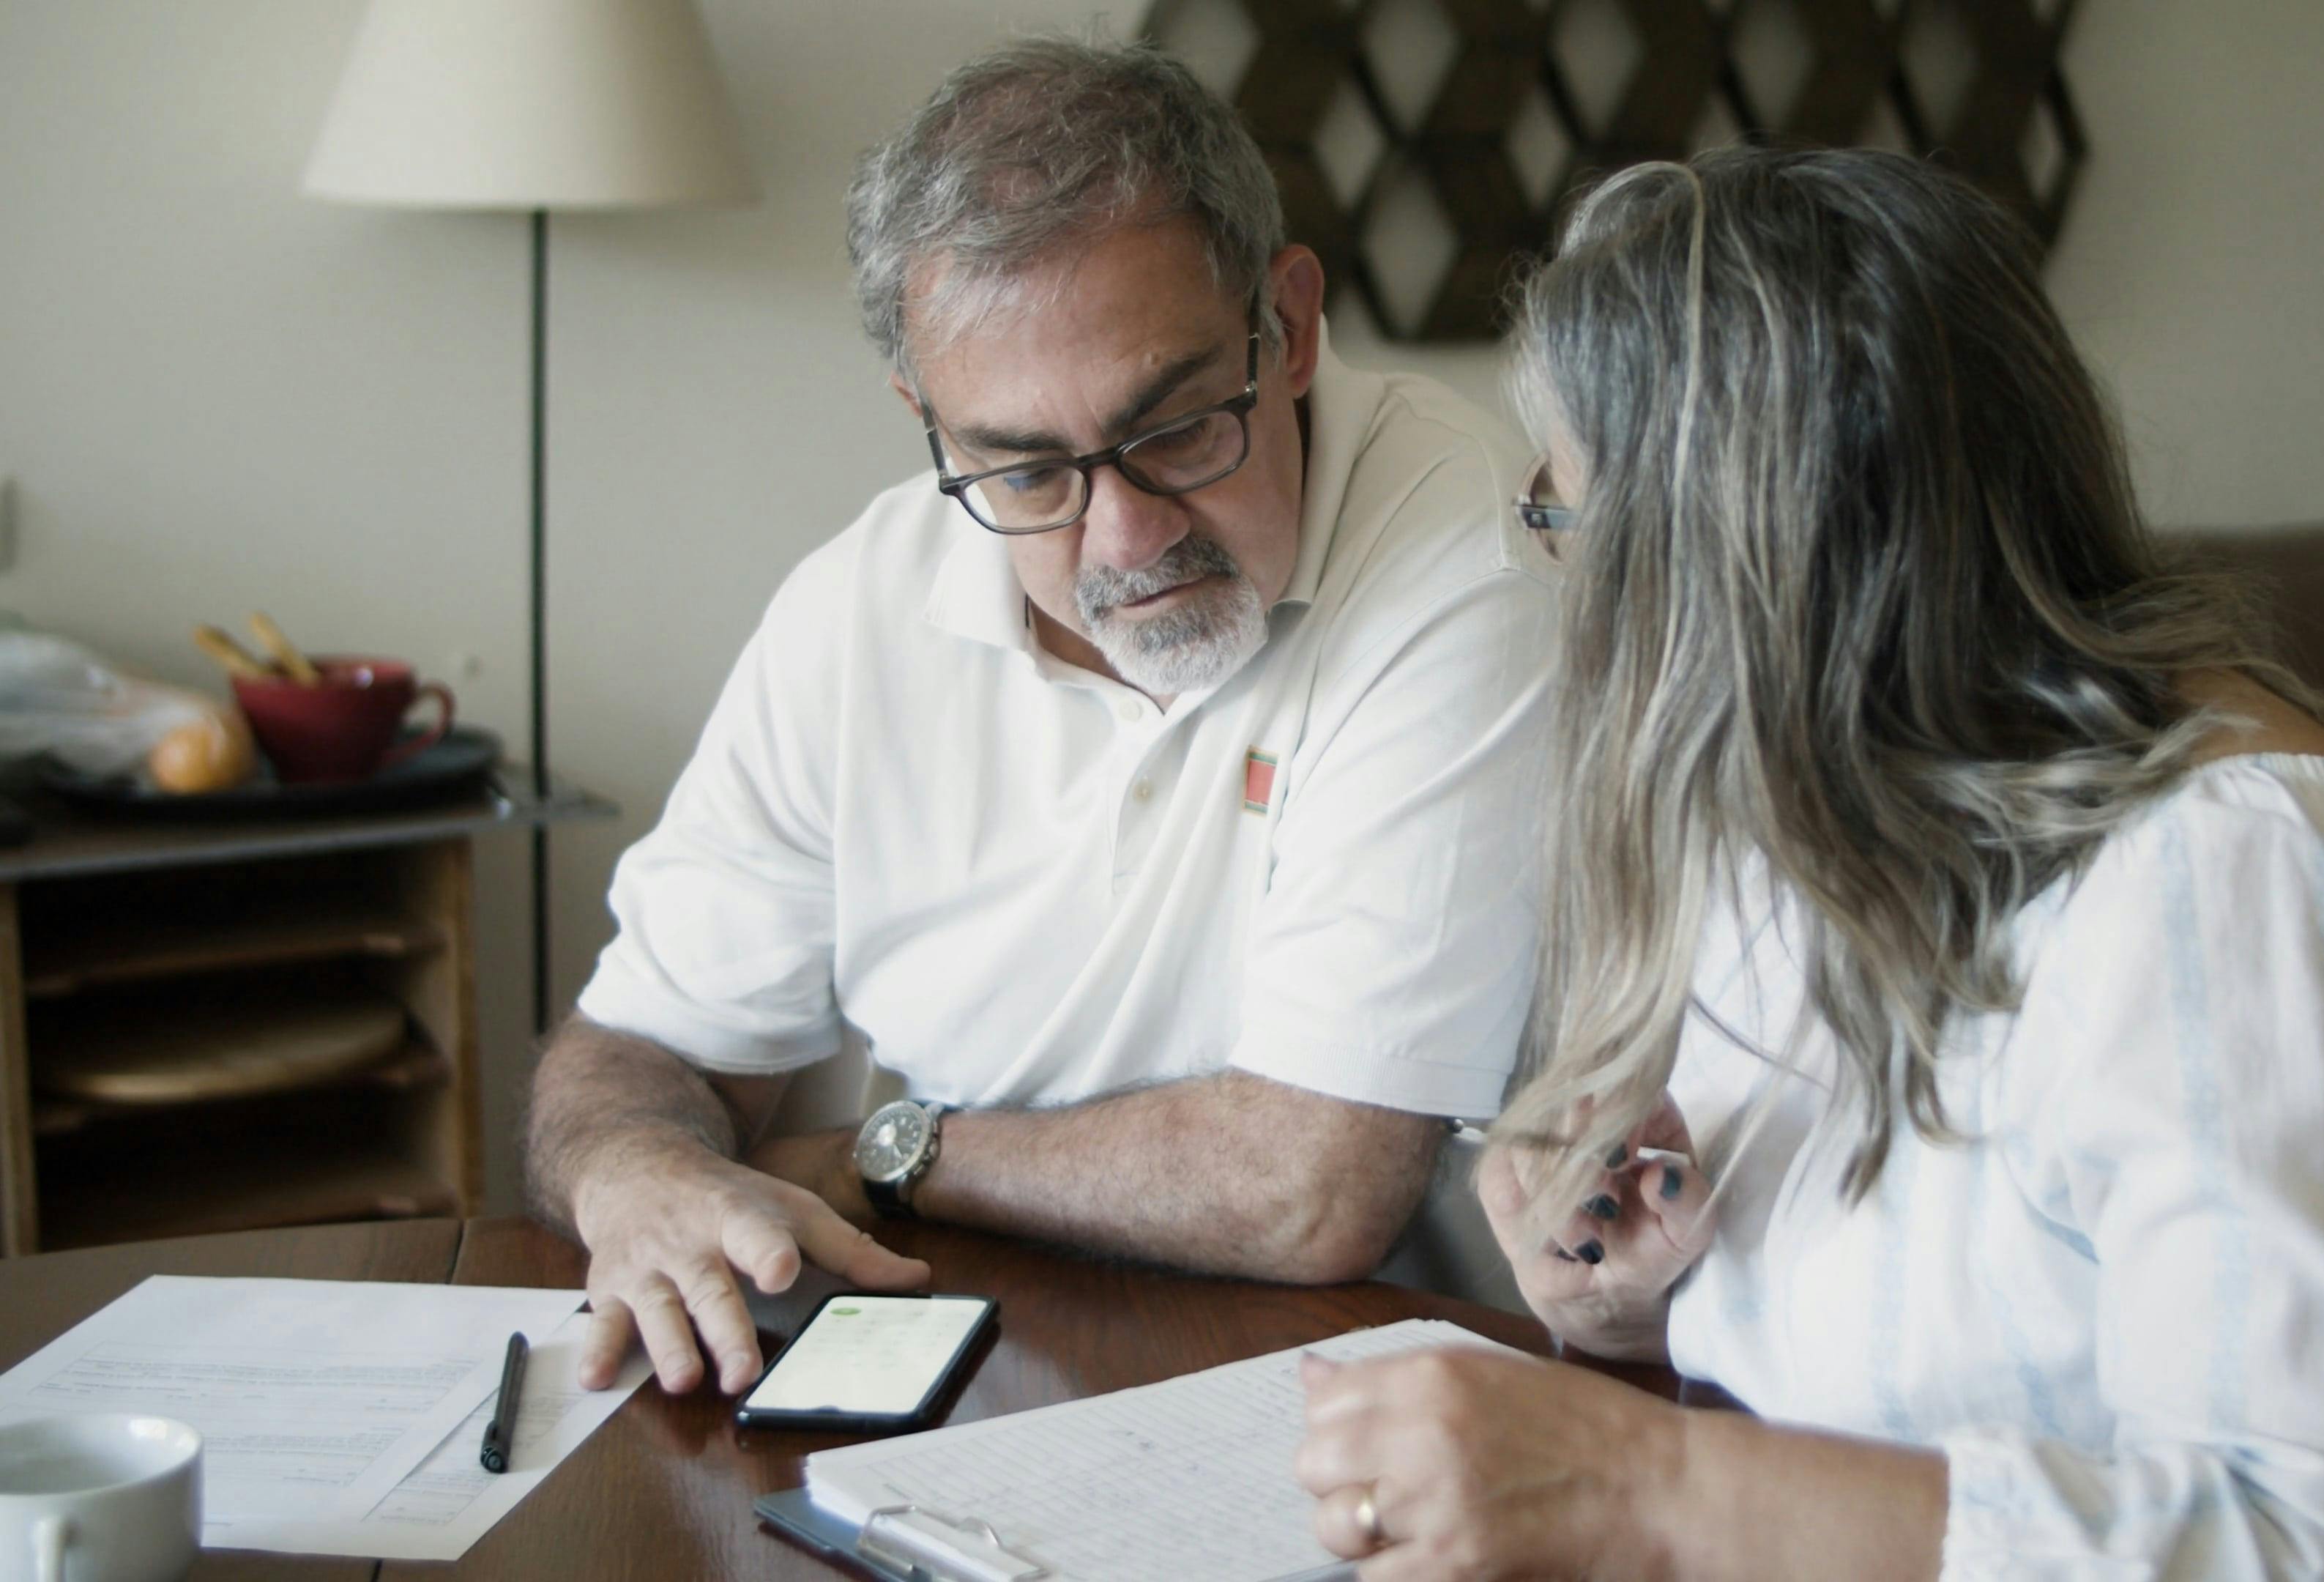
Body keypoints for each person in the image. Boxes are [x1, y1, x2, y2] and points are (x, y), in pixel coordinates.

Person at [1293, 149, 2324, 1580]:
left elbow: (2307, 1543)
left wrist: (1643, 1482)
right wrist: (1641, 1299)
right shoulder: (1811, 821)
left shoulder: (2229, 873)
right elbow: (1899, 1344)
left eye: (1565, 524)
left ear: (1742, 571)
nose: (1570, 598)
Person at [524, 38, 1558, 1399]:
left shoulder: (1470, 546)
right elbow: (641, 1047)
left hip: (1400, 1388)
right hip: (970, 1358)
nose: (1122, 534)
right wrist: (638, 1170)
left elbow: (1310, 1187)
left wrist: (881, 1151)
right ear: (934, 427)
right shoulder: (858, 603)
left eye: (1180, 427)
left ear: (1289, 328)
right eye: (1022, 468)